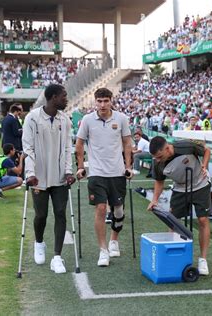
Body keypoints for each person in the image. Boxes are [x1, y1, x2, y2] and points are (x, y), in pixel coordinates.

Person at [75, 88, 133, 267]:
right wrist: (80, 167)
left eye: (105, 101)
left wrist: (128, 166)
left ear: (111, 101)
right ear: (95, 102)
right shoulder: (87, 120)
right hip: (96, 173)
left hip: (117, 172)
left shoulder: (121, 119)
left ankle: (114, 240)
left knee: (118, 211)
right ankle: (103, 250)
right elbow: (79, 143)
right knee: (101, 209)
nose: (102, 105)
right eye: (99, 101)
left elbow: (127, 143)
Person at [22, 84, 75, 274]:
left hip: (60, 177)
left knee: (60, 213)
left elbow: (68, 148)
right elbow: (27, 148)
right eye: (64, 96)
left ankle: (57, 257)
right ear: (53, 98)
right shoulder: (32, 118)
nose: (66, 99)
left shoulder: (65, 119)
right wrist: (30, 174)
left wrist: (69, 172)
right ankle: (39, 242)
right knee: (41, 215)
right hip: (39, 177)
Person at [147, 136, 212, 275]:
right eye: (155, 158)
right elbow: (159, 182)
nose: (157, 160)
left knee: (203, 219)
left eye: (159, 156)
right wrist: (154, 200)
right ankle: (173, 256)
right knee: (173, 222)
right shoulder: (157, 163)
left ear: (167, 148)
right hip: (180, 188)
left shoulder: (186, 146)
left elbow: (207, 150)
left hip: (200, 184)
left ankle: (203, 259)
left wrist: (204, 165)